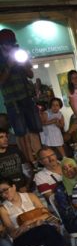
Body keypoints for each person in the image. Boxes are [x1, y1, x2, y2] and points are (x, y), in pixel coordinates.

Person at [0, 29, 42, 164]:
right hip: (12, 100)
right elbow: (1, 81)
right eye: (7, 43)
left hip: (26, 97)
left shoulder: (19, 52)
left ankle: (41, 159)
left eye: (11, 42)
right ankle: (29, 162)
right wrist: (9, 65)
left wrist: (23, 64)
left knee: (35, 129)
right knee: (20, 132)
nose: (10, 45)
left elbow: (30, 74)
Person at [0, 179, 66, 246]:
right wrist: (28, 227)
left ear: (14, 186)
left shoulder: (30, 196)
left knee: (49, 232)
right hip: (22, 238)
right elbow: (13, 234)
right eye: (0, 193)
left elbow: (46, 214)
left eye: (5, 190)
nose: (3, 194)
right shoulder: (3, 209)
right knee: (48, 231)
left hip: (42, 230)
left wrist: (30, 222)